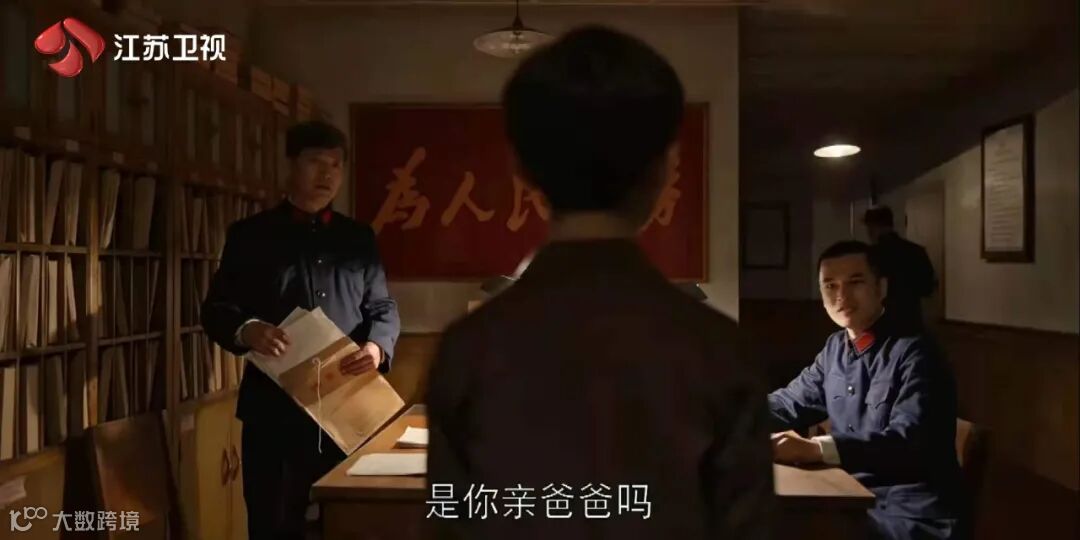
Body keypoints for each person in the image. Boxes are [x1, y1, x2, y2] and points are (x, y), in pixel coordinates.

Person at [426, 25, 773, 540]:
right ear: (666, 167)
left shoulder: (467, 347)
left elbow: (449, 525)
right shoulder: (720, 348)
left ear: (521, 170)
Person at [201, 120, 401, 540]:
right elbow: (217, 309)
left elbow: (382, 308)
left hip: (348, 407)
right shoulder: (250, 236)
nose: (327, 174)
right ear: (290, 165)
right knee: (274, 526)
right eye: (315, 162)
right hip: (273, 413)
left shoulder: (358, 239)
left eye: (336, 165)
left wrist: (376, 348)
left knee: (348, 525)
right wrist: (248, 329)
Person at [768, 241, 966, 540]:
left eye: (855, 282)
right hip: (852, 499)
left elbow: (909, 442)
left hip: (912, 514)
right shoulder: (835, 348)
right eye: (830, 285)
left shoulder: (917, 352)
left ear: (881, 288)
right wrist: (724, 413)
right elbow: (789, 403)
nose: (842, 296)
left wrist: (817, 449)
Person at [863, 206, 937, 331]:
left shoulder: (870, 255)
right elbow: (927, 288)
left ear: (873, 227)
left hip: (880, 318)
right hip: (910, 317)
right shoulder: (916, 251)